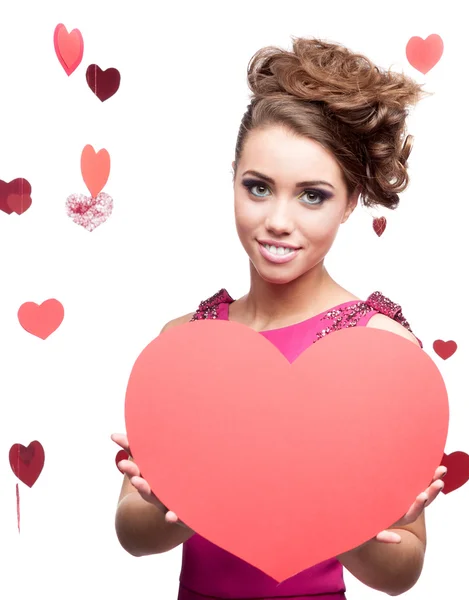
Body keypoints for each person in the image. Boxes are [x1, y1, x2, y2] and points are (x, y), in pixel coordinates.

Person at [111, 36, 447, 599]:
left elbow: (401, 573)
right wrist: (185, 497)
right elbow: (132, 535)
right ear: (234, 178)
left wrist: (339, 514)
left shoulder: (380, 353)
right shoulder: (184, 345)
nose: (278, 221)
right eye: (259, 188)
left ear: (349, 201)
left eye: (312, 196)